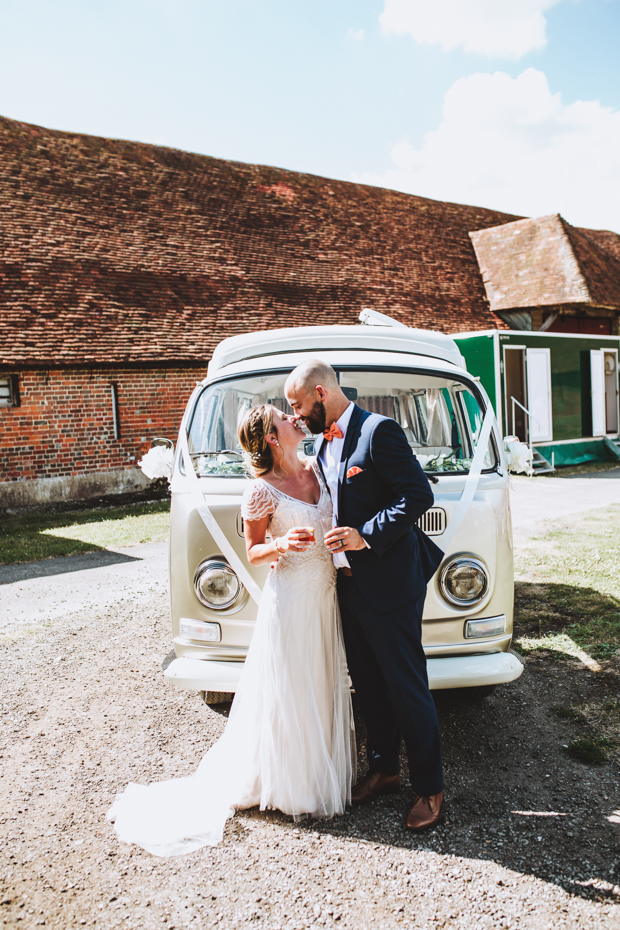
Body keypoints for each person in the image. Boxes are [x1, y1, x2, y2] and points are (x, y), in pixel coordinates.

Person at [107, 404, 354, 856]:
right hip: (292, 598)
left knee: (320, 681)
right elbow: (255, 552)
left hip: (324, 595)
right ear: (273, 438)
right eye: (284, 418)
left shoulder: (318, 467)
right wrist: (281, 542)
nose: (294, 419)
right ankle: (292, 785)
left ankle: (320, 769)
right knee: (293, 687)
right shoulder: (260, 492)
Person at [285, 360, 445, 832]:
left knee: (406, 687)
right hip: (348, 587)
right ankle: (385, 770)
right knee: (369, 685)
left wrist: (364, 536)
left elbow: (418, 494)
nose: (294, 415)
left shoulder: (380, 432)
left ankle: (429, 789)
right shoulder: (321, 441)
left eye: (297, 405)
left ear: (320, 393)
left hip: (390, 584)